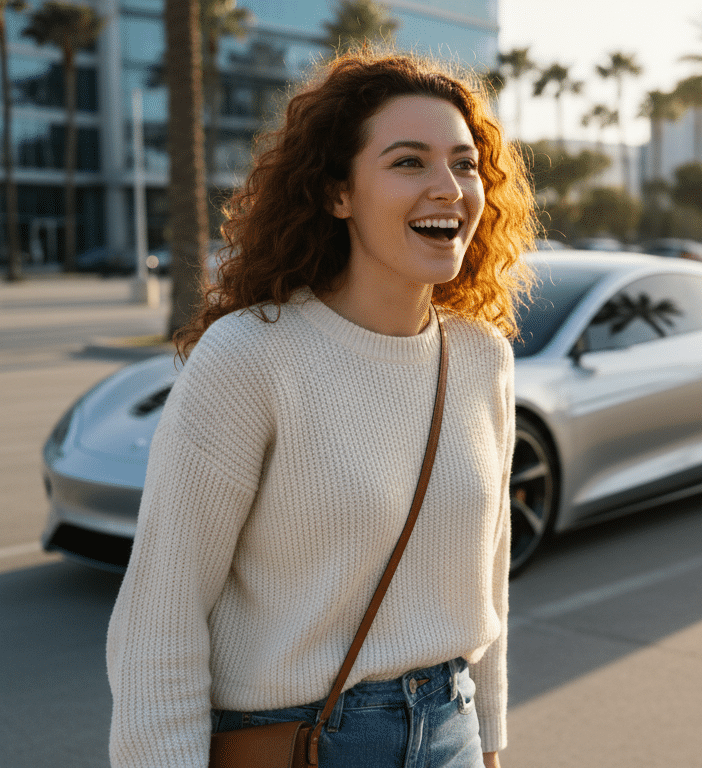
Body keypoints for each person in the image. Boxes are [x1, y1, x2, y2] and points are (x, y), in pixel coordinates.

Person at [106, 48, 535, 768]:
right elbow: (161, 619)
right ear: (338, 193)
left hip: (450, 726)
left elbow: (487, 586)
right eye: (409, 163)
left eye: (465, 164)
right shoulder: (251, 356)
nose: (449, 189)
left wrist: (489, 747)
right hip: (303, 743)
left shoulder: (483, 357)